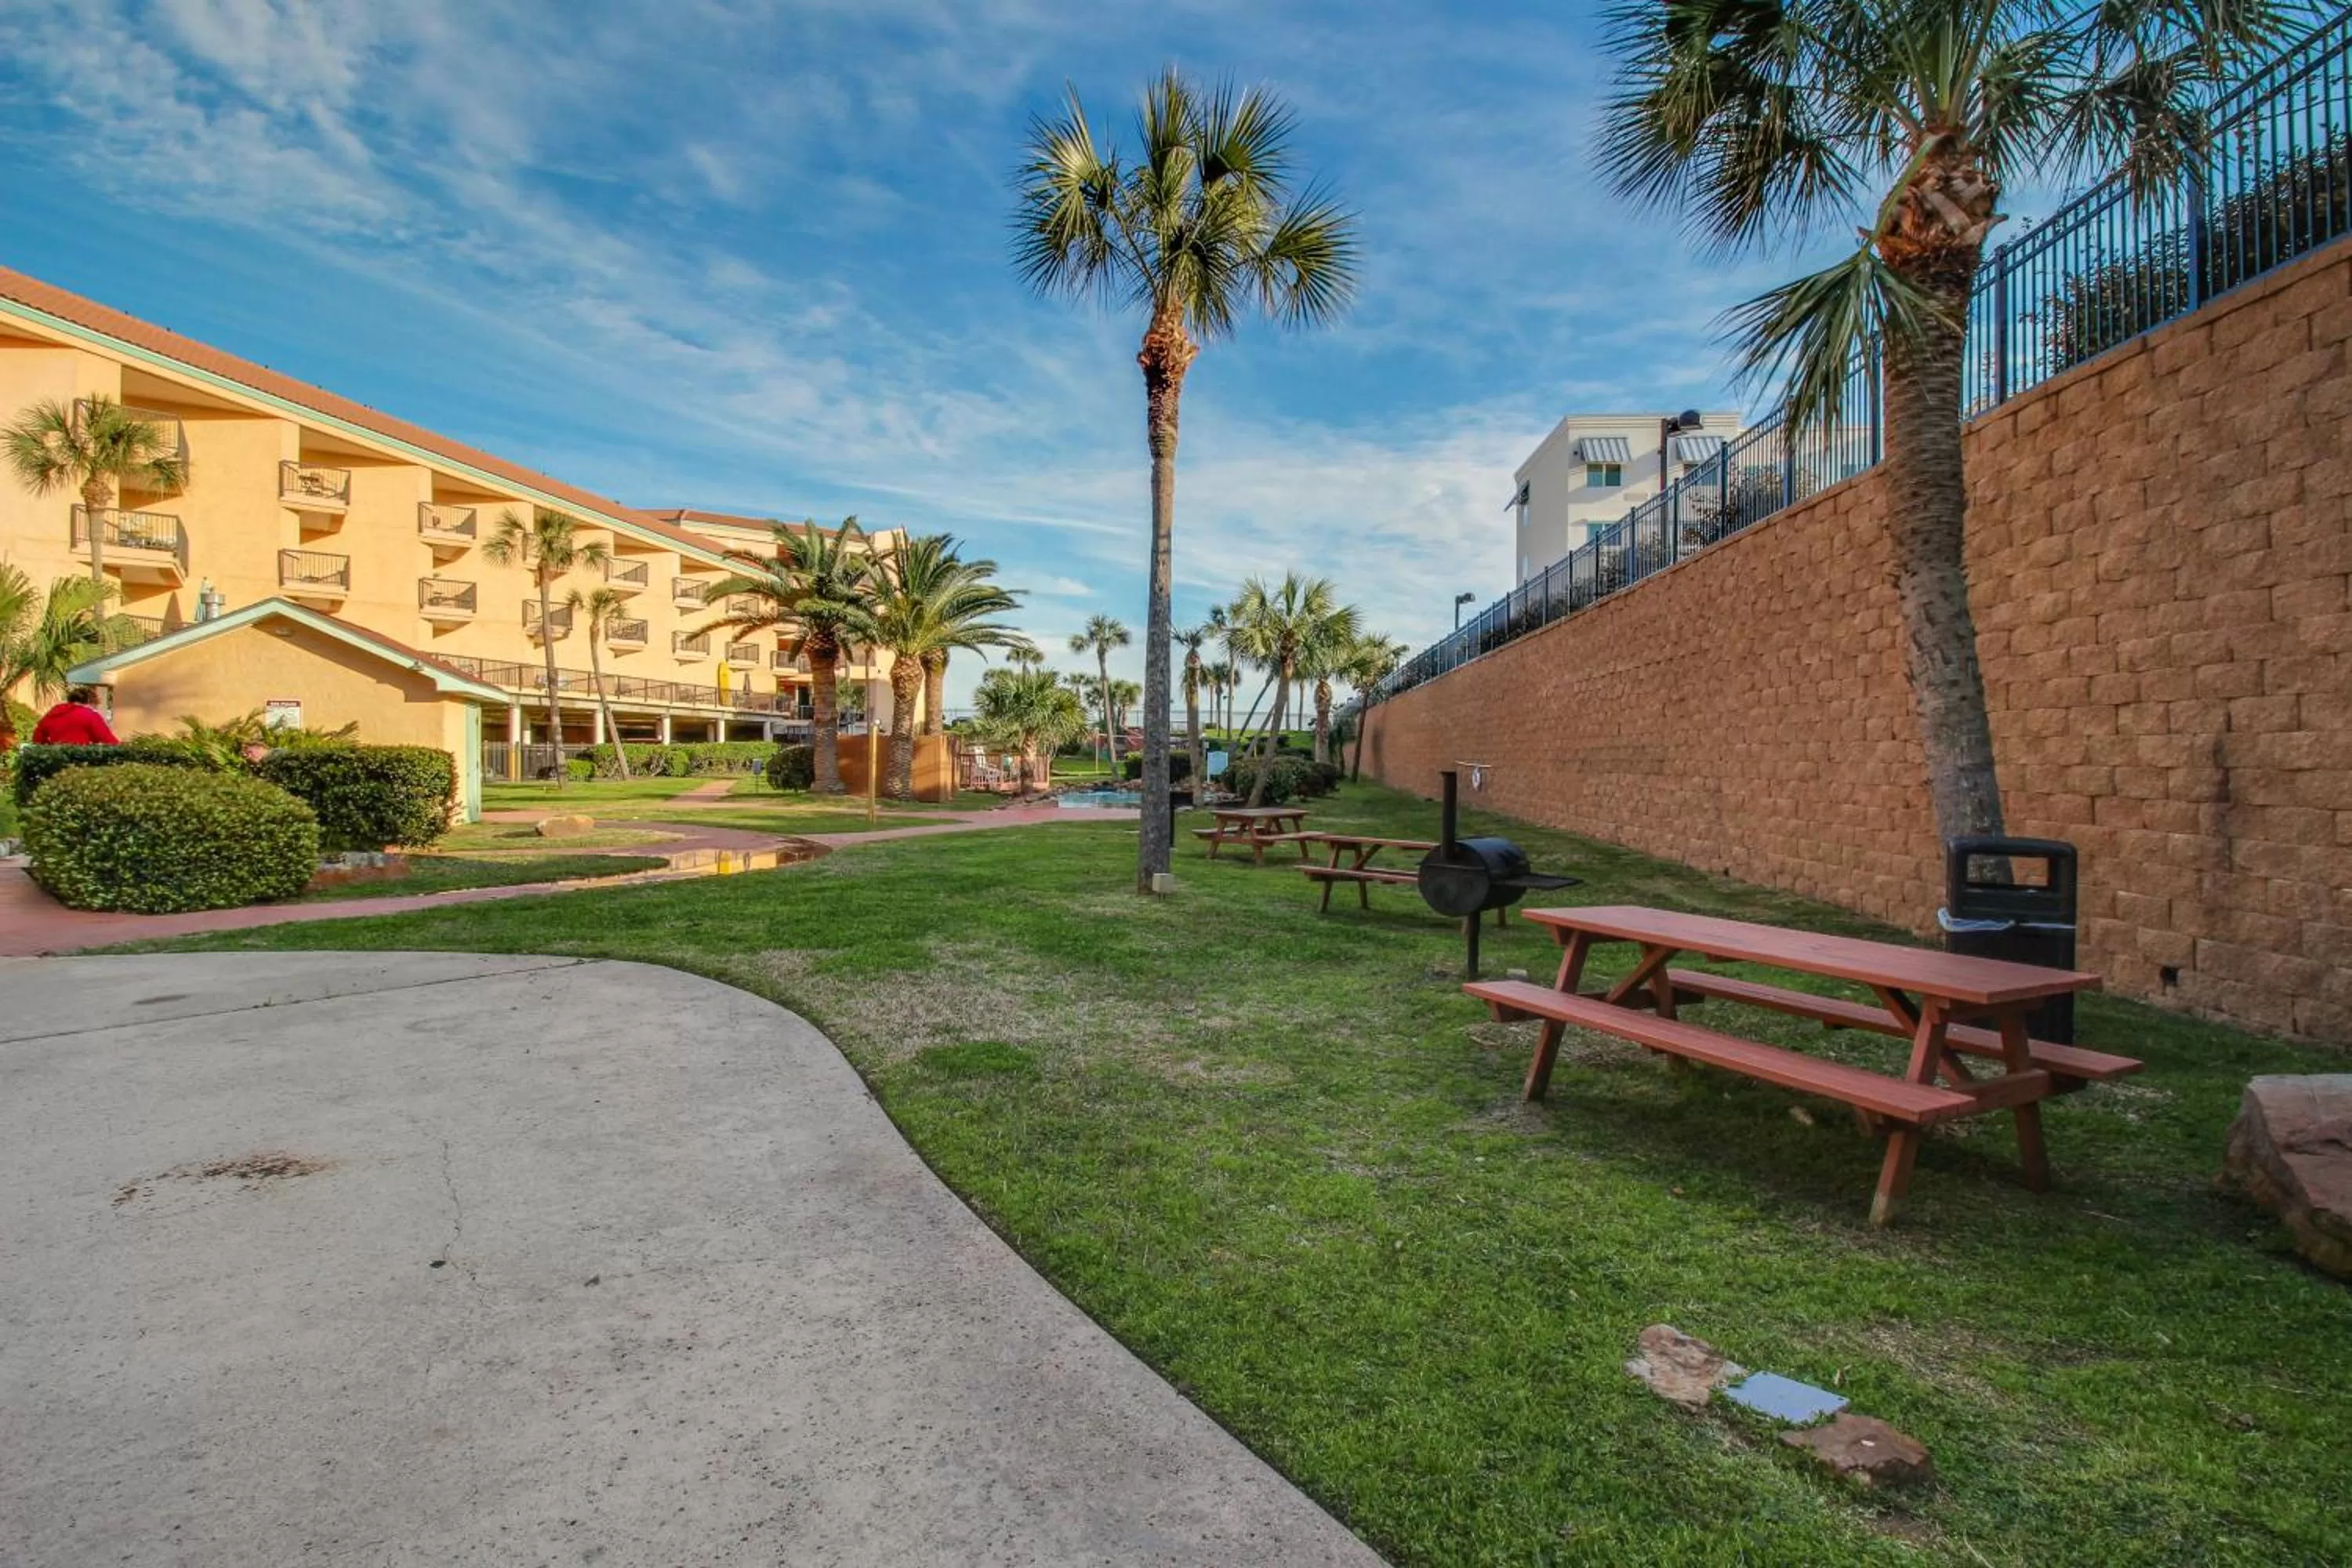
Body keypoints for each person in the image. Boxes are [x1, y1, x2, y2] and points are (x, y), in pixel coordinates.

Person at [31, 686, 119, 746]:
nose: (95, 708)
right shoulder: (90, 715)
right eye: (95, 705)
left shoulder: (52, 713)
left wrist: (52, 747)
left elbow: (37, 738)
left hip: (57, 759)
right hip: (81, 760)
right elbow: (109, 741)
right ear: (89, 702)